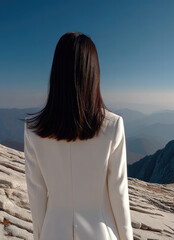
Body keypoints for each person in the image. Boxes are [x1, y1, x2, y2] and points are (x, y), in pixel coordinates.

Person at [22, 31, 133, 240]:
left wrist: (39, 236)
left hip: (53, 232)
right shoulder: (112, 125)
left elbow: (36, 195)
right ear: (93, 73)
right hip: (101, 233)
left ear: (56, 73)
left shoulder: (33, 128)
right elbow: (119, 194)